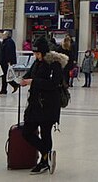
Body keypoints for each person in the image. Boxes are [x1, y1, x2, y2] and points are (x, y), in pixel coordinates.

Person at [20, 37, 66, 175]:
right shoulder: (36, 63)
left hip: (49, 105)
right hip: (35, 104)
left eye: (38, 53)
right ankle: (46, 153)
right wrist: (19, 81)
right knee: (27, 131)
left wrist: (33, 82)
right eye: (35, 53)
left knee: (46, 133)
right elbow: (29, 75)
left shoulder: (54, 64)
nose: (36, 56)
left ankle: (44, 161)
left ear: (44, 52)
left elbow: (53, 84)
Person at [0, 30, 20, 94]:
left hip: (6, 61)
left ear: (7, 35)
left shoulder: (9, 42)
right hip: (4, 60)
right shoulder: (6, 41)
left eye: (4, 35)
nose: (3, 36)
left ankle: (12, 85)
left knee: (5, 75)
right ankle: (5, 89)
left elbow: (9, 52)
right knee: (4, 75)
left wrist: (9, 61)